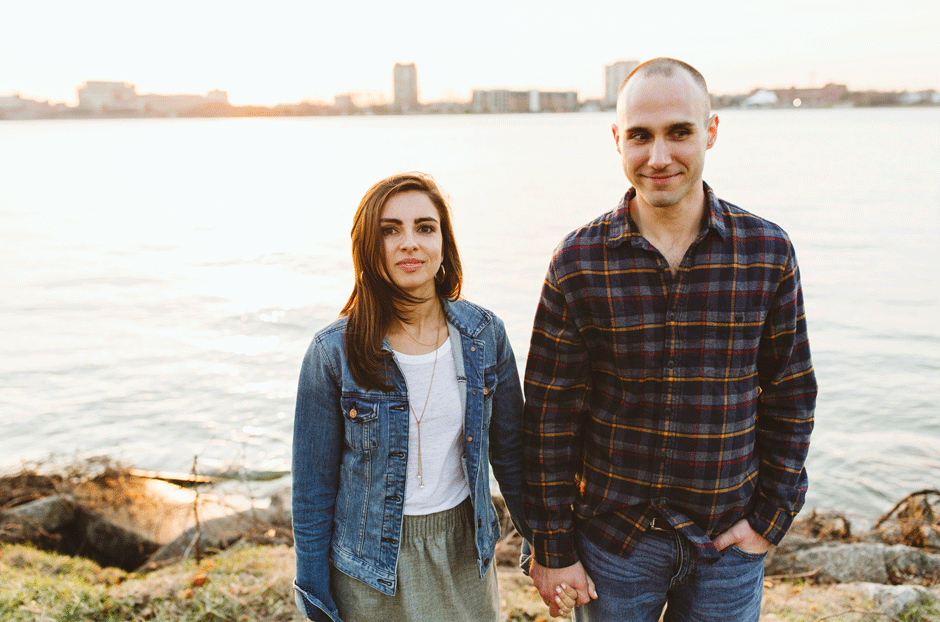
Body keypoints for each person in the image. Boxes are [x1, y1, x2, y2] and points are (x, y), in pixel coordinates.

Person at [522, 58, 817, 621]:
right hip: (613, 545)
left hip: (726, 543)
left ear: (710, 131)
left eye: (678, 132)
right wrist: (553, 547)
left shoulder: (767, 253)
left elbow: (791, 394)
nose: (659, 157)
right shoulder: (578, 262)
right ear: (617, 140)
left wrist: (770, 518)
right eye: (640, 136)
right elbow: (548, 419)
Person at [291, 172, 576, 622]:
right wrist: (313, 596)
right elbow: (312, 491)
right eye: (390, 230)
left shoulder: (485, 336)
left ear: (444, 242)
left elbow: (512, 457)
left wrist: (545, 549)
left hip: (463, 555)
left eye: (425, 227)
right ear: (368, 245)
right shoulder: (332, 353)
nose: (409, 242)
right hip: (368, 568)